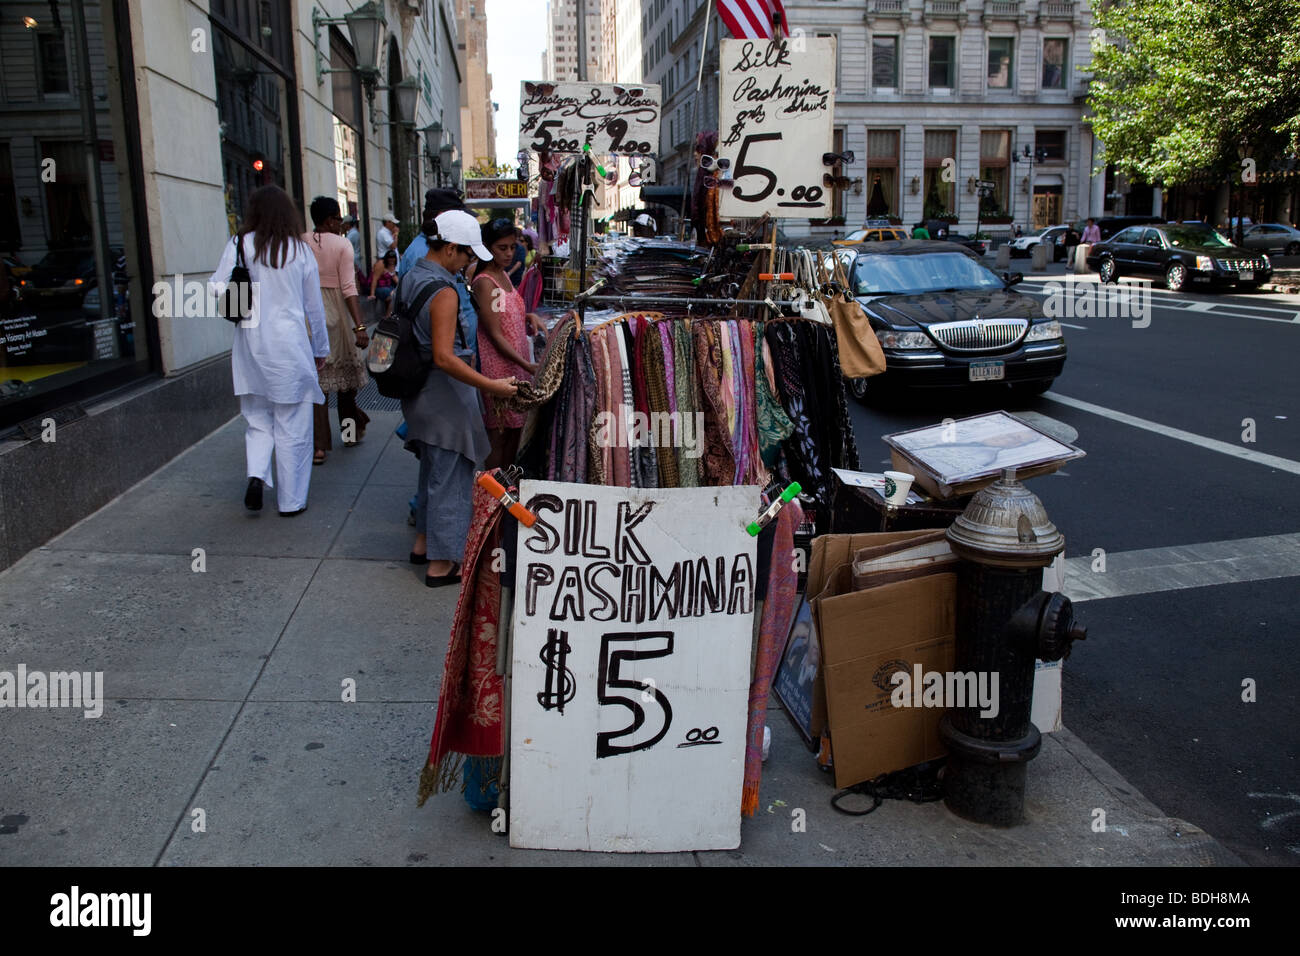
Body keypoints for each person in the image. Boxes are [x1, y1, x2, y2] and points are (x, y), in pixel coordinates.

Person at [400, 209, 518, 585]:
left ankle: (423, 545)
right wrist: (492, 385)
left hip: (420, 394)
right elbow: (445, 356)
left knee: (432, 472)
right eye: (468, 255)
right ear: (451, 248)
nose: (470, 263)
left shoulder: (413, 274)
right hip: (444, 397)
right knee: (451, 478)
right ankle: (442, 564)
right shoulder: (444, 291)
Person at [208, 185, 328, 517]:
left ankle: (257, 475)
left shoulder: (239, 244)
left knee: (257, 419)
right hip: (290, 346)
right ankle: (291, 501)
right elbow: (313, 308)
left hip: (250, 344)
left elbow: (216, 286)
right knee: (293, 425)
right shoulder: (299, 251)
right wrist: (321, 348)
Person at [471, 218, 546, 469]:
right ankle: (493, 498)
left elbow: (504, 314)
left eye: (512, 247)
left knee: (514, 435)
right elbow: (495, 334)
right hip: (500, 369)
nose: (509, 253)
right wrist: (526, 363)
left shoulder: (501, 274)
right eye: (502, 248)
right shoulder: (486, 281)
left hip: (516, 367)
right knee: (499, 437)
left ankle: (508, 494)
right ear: (487, 247)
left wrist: (528, 316)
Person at [302, 196, 370, 465]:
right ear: (330, 220)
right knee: (346, 382)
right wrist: (360, 326)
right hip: (337, 313)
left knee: (318, 385)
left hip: (308, 313)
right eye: (339, 219)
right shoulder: (342, 244)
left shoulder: (299, 241)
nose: (341, 224)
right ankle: (350, 433)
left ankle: (319, 448)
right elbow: (349, 287)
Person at [369, 249, 399, 316]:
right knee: (393, 295)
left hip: (388, 286)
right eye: (390, 258)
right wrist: (372, 294)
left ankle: (391, 315)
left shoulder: (392, 264)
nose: (391, 260)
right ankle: (387, 317)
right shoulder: (381, 264)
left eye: (393, 258)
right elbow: (374, 279)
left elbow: (394, 277)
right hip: (378, 287)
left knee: (397, 294)